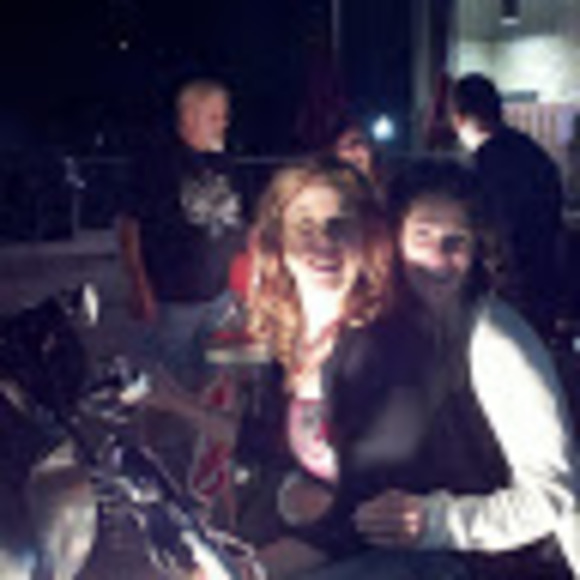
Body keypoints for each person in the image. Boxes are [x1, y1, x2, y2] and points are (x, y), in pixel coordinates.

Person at [348, 158, 577, 579]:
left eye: (457, 240)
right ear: (394, 239)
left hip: (510, 565)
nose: (439, 256)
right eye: (423, 236)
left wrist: (436, 522)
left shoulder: (497, 340)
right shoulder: (404, 326)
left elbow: (555, 495)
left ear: (479, 250)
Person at [117, 79, 246, 390]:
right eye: (214, 116)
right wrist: (138, 284)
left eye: (224, 116)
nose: (223, 124)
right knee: (167, 386)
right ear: (189, 116)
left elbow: (241, 220)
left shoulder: (225, 161)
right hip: (171, 300)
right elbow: (128, 226)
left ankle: (203, 421)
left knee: (215, 384)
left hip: (222, 298)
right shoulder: (155, 161)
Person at [449, 72, 564, 339]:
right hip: (545, 283)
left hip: (509, 293)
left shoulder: (482, 165)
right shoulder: (533, 153)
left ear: (459, 118)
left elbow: (495, 236)